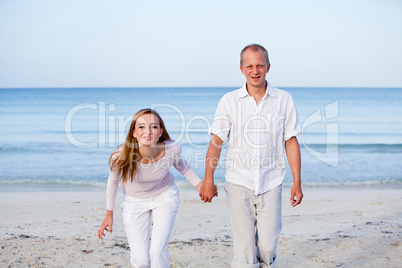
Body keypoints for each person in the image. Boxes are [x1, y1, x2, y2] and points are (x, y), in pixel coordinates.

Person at [199, 44, 303, 268]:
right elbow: (217, 141)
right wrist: (208, 178)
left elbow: (291, 141)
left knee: (267, 248)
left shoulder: (284, 100)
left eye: (259, 65)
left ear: (268, 67)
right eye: (249, 66)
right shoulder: (229, 101)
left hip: (271, 182)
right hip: (238, 182)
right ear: (241, 69)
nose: (255, 71)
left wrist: (297, 182)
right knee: (244, 251)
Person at [98, 108, 217, 268]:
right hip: (134, 202)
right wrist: (109, 214)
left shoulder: (171, 148)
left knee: (157, 252)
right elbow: (113, 181)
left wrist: (200, 185)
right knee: (141, 260)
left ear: (160, 132)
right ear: (134, 132)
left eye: (154, 127)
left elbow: (181, 165)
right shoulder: (120, 156)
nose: (148, 131)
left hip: (164, 196)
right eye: (141, 127)